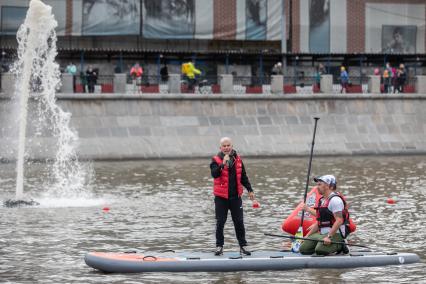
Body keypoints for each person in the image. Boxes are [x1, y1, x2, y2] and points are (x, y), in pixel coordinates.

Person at [210, 137, 255, 256]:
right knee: (220, 222)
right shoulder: (215, 159)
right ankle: (219, 246)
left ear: (231, 146)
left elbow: (243, 176)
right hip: (221, 197)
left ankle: (243, 246)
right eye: (224, 146)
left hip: (236, 197)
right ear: (220, 148)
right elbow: (214, 174)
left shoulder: (238, 159)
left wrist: (250, 189)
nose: (226, 148)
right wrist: (222, 164)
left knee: (239, 221)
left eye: (228, 145)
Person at [299, 175, 348, 256]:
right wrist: (306, 236)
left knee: (320, 250)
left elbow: (339, 221)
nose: (317, 187)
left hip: (336, 234)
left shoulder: (335, 200)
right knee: (303, 249)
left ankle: (341, 244)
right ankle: (324, 246)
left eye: (320, 184)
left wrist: (329, 236)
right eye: (317, 184)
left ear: (329, 186)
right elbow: (319, 222)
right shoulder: (322, 200)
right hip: (322, 235)